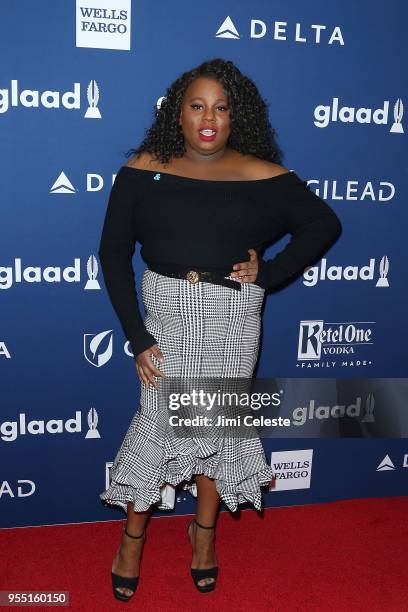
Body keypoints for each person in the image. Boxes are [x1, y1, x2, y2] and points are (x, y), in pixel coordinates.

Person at [98, 57, 342, 601]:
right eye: (198, 105)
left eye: (222, 108)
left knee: (220, 426)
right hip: (167, 311)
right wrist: (138, 337)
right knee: (157, 426)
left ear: (237, 117)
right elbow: (113, 255)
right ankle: (132, 539)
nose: (209, 118)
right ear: (178, 114)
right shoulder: (143, 169)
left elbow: (324, 222)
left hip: (234, 314)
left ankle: (203, 535)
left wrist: (272, 272)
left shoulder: (261, 174)